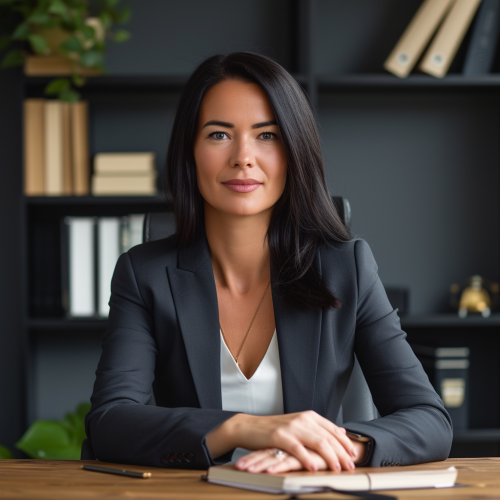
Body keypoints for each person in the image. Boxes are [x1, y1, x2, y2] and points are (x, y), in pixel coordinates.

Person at [85, 52, 452, 473]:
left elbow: (430, 420)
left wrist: (341, 447)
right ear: (189, 151)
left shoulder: (346, 268)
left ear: (295, 150)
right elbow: (109, 421)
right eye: (219, 135)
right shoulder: (144, 274)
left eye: (268, 135)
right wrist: (246, 428)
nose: (243, 157)